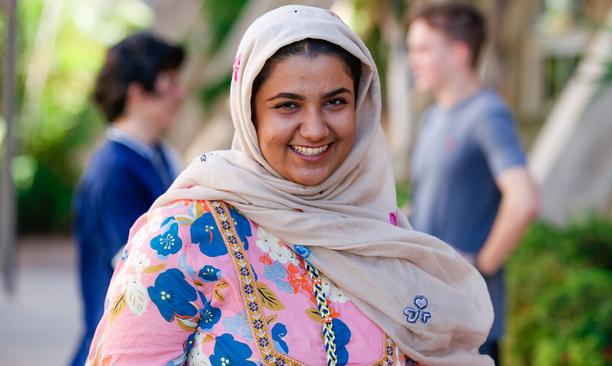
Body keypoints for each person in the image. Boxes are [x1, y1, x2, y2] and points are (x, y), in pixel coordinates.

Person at [86, 5, 494, 365]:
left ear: (362, 106)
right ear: (250, 113)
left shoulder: (382, 231)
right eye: (287, 105)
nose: (315, 129)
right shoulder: (184, 237)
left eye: (336, 102)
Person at [406, 3, 540, 364]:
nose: (411, 60)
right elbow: (431, 201)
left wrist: (480, 265)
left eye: (422, 48)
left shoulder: (486, 113)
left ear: (459, 53)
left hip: (470, 325)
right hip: (426, 315)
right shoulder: (432, 118)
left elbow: (524, 199)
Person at [70, 32, 186, 366]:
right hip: (120, 348)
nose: (181, 93)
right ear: (138, 93)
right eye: (170, 82)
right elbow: (144, 273)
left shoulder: (158, 156)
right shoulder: (113, 175)